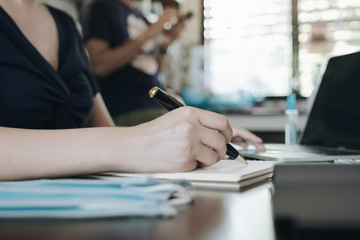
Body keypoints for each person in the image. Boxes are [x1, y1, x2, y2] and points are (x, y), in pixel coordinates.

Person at [0, 0, 264, 181]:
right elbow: (118, 142)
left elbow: (106, 129)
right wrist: (130, 144)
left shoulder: (66, 25)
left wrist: (199, 136)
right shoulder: (102, 9)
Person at [80, 0, 186, 126]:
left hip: (156, 103)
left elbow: (154, 70)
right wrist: (150, 32)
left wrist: (166, 45)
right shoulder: (101, 6)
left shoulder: (140, 15)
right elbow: (99, 66)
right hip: (128, 107)